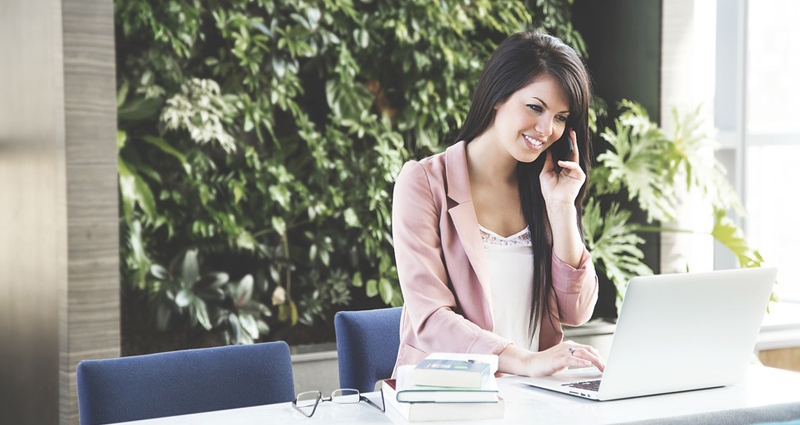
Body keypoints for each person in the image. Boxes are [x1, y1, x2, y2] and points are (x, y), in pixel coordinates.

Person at [391, 29, 605, 378]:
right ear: (497, 96)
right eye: (535, 107)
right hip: (449, 394)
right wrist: (524, 360)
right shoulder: (424, 183)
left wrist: (563, 209)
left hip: (534, 397)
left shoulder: (546, 188)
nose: (546, 128)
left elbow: (577, 311)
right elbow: (430, 318)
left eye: (561, 117)